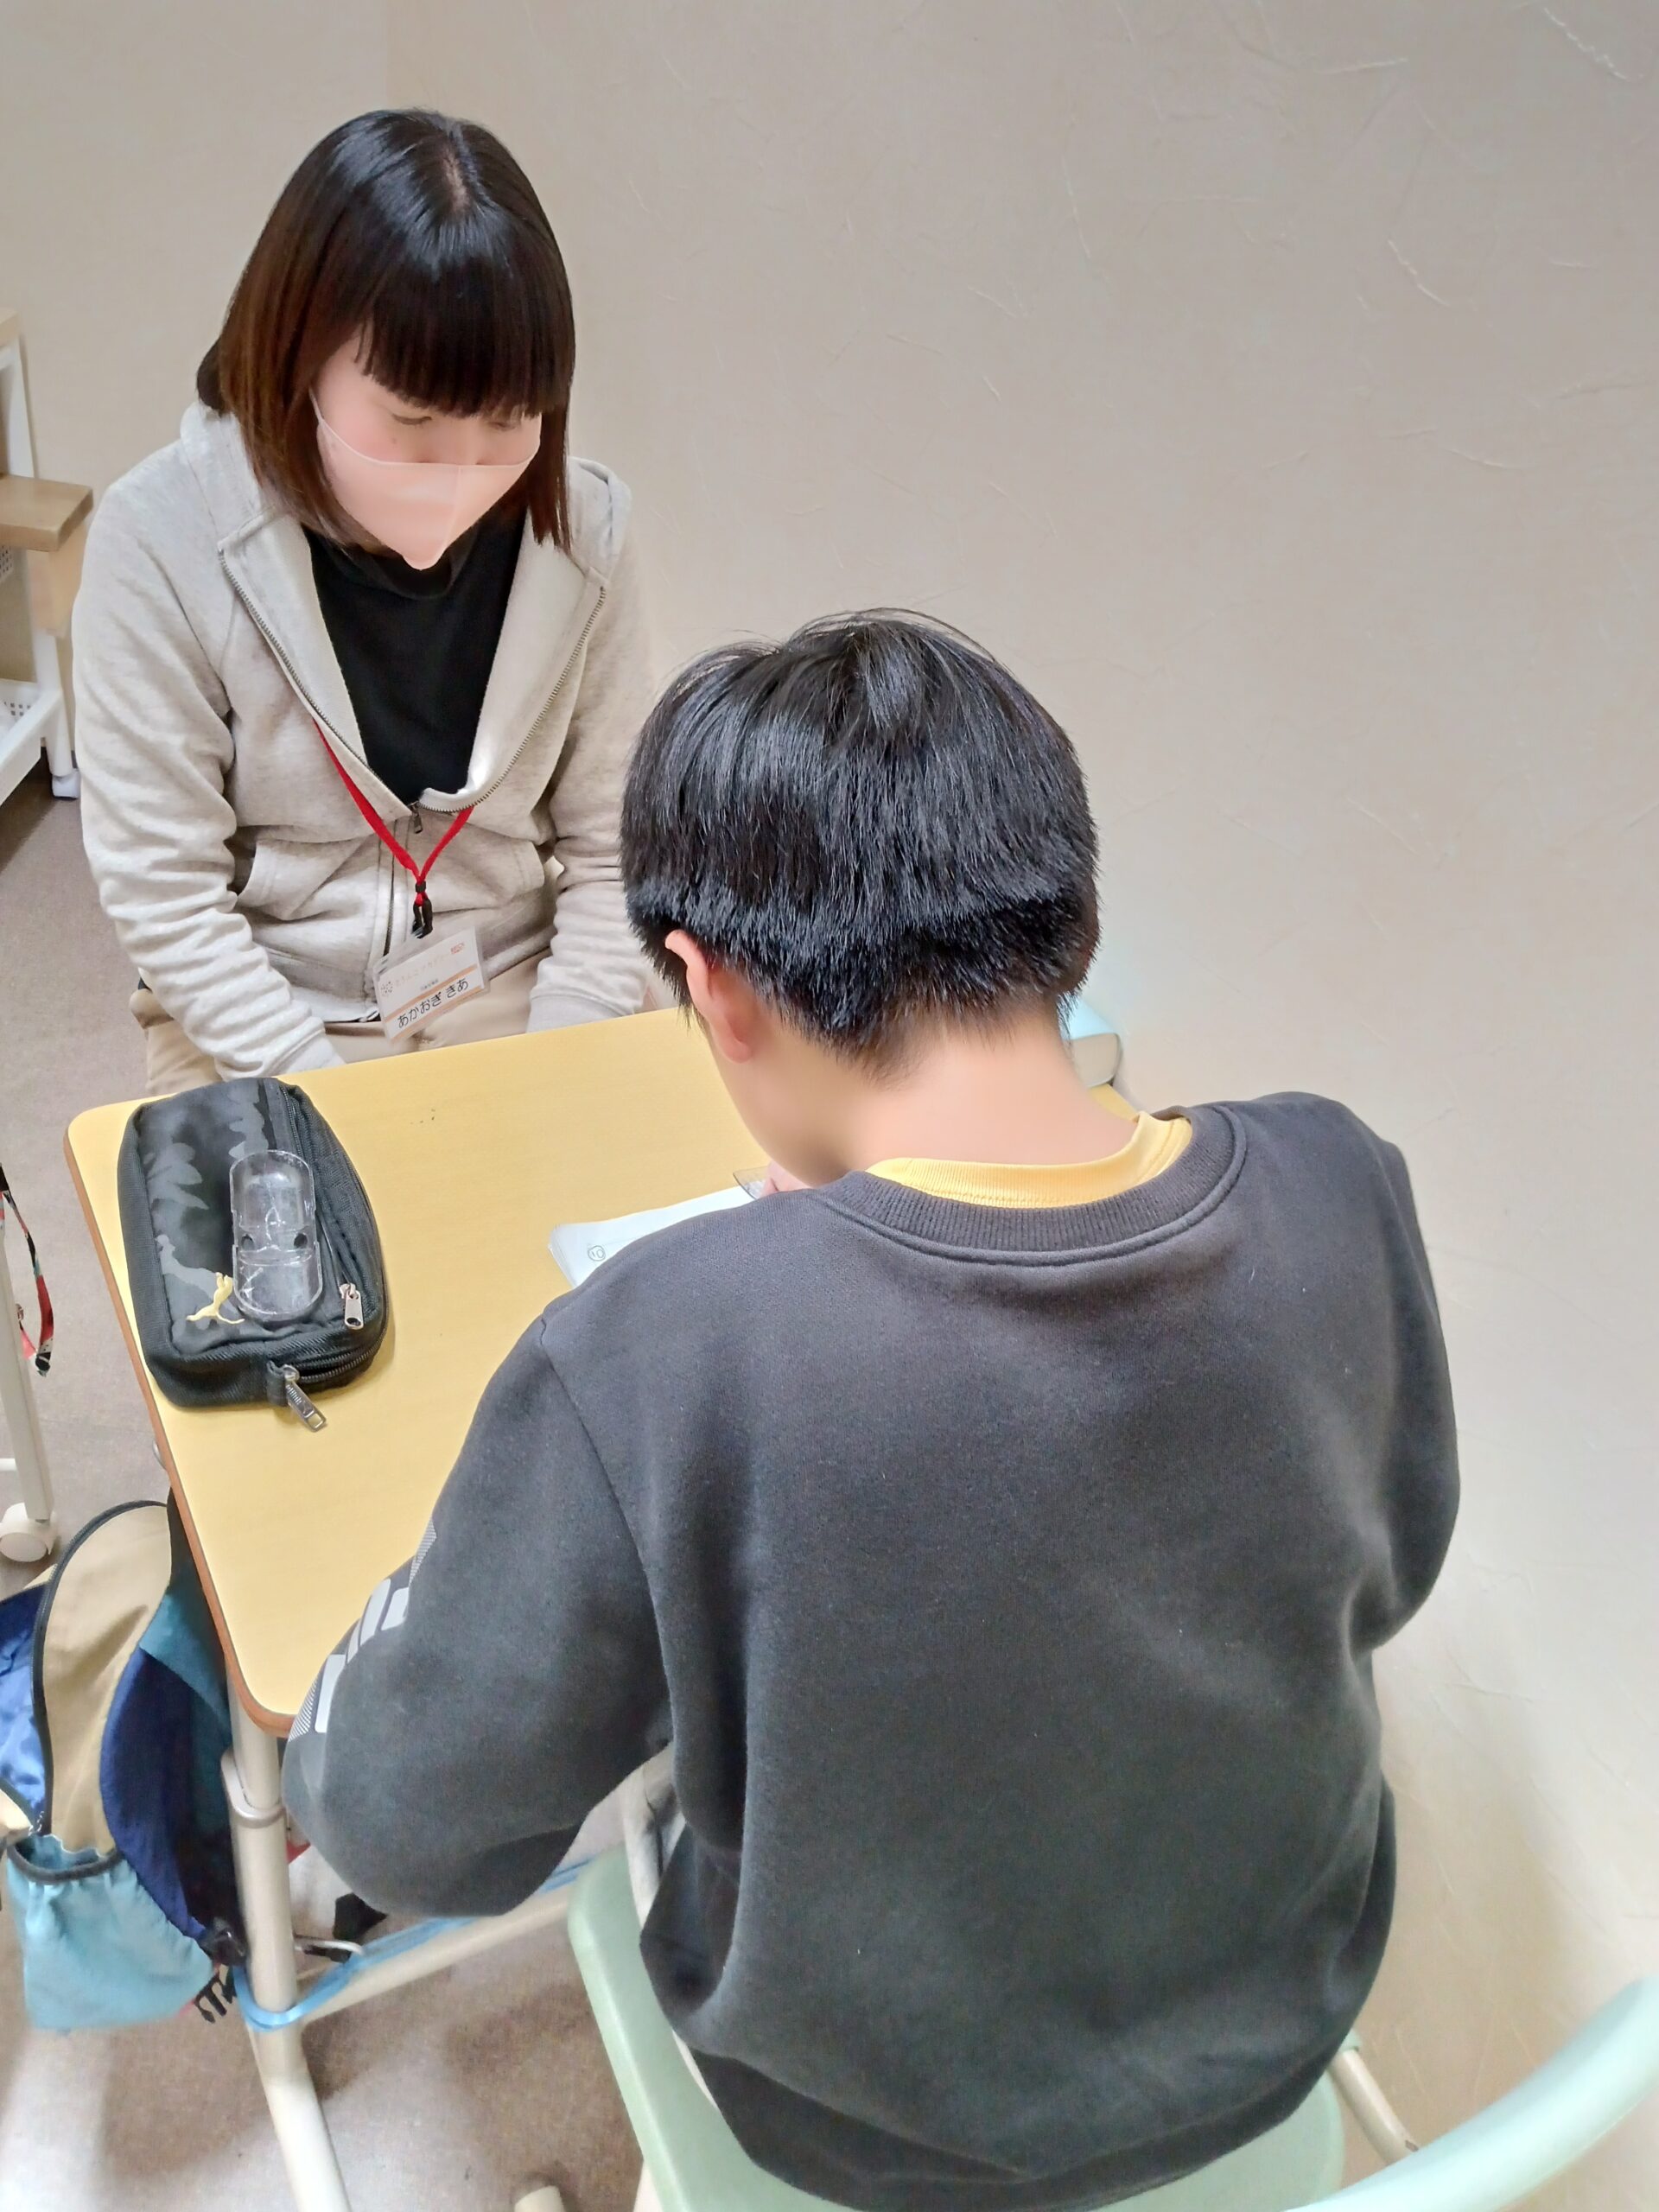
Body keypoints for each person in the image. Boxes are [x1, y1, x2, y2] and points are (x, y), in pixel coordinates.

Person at [283, 614, 1459, 2212]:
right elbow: (1395, 1563)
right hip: (1275, 2036)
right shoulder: (1338, 1179)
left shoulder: (662, 1345)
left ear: (711, 990)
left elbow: (403, 1821)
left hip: (874, 2140)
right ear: (1068, 914)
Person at [74, 110, 652, 1092]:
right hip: (259, 1009)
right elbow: (169, 899)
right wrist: (333, 1106)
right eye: (413, 419)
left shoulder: (587, 535)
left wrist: (561, 1075)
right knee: (299, 1204)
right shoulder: (161, 538)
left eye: (507, 421)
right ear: (299, 355)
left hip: (509, 991)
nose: (463, 470)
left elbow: (615, 858)